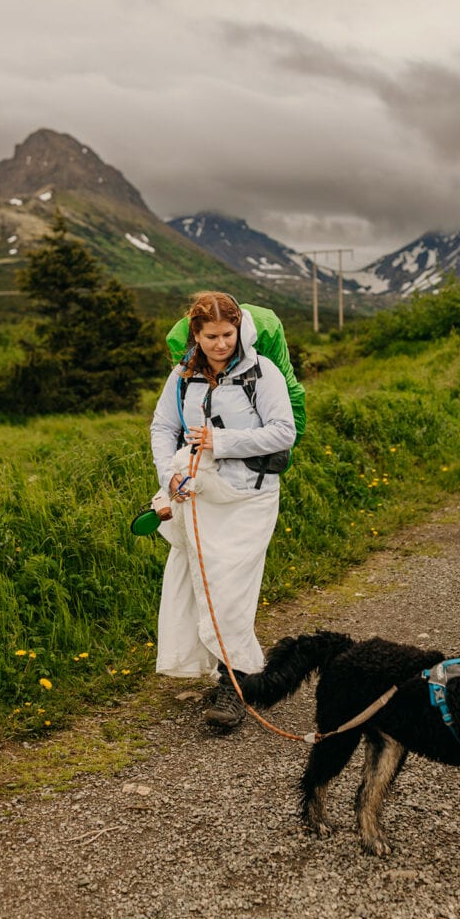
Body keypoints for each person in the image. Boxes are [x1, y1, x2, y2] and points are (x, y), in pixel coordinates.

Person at [150, 291, 296, 729]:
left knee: (230, 593)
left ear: (239, 331)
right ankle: (232, 672)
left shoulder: (262, 372)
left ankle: (235, 686)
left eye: (227, 335)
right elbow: (163, 427)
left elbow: (283, 432)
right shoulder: (181, 376)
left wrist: (222, 442)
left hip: (249, 498)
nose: (220, 344)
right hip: (196, 499)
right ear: (196, 334)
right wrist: (166, 476)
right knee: (201, 585)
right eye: (210, 336)